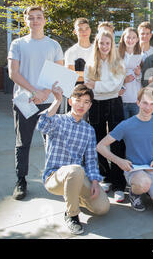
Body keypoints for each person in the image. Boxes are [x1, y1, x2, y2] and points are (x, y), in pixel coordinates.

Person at [37, 83, 110, 235]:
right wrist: (57, 101)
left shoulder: (89, 130)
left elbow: (91, 159)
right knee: (75, 170)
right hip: (54, 177)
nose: (81, 105)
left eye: (86, 102)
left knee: (102, 208)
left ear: (90, 105)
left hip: (77, 176)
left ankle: (74, 197)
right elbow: (42, 126)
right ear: (70, 101)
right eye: (78, 100)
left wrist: (95, 182)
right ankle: (71, 215)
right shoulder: (57, 120)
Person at [8, 5, 64, 200]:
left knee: (51, 142)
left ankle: (52, 177)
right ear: (25, 21)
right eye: (31, 18)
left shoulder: (53, 45)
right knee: (23, 142)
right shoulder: (17, 44)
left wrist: (45, 93)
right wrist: (34, 92)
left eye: (38, 17)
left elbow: (58, 72)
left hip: (48, 102)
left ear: (44, 20)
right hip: (25, 100)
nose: (35, 21)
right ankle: (21, 180)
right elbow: (13, 73)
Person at [96, 87, 153, 215]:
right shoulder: (126, 125)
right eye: (145, 103)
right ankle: (134, 193)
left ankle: (147, 188)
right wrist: (119, 161)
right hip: (135, 169)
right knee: (144, 182)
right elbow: (100, 146)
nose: (148, 107)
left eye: (152, 103)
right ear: (138, 103)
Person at [84, 29, 126, 203]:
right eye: (101, 43)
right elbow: (88, 83)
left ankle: (119, 184)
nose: (104, 46)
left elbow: (116, 84)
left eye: (107, 43)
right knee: (98, 140)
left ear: (112, 45)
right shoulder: (90, 63)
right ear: (97, 44)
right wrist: (106, 86)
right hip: (97, 104)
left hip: (115, 103)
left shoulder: (118, 62)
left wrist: (98, 85)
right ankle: (105, 177)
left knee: (117, 142)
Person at [118, 27, 143, 119]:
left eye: (133, 38)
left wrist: (138, 74)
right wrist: (124, 80)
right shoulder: (117, 56)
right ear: (123, 38)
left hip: (136, 99)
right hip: (122, 99)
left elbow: (144, 80)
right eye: (128, 37)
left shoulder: (141, 56)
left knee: (136, 127)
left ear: (137, 39)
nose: (130, 40)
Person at [64, 18, 93, 85]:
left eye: (86, 28)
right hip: (79, 92)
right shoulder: (70, 52)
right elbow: (70, 76)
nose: (84, 32)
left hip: (97, 93)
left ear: (90, 30)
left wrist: (80, 73)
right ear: (75, 32)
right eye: (80, 29)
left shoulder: (97, 50)